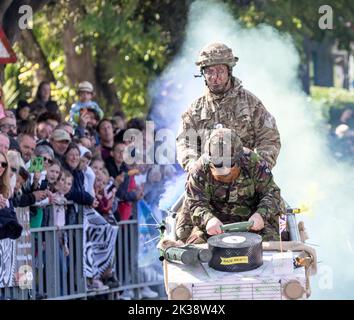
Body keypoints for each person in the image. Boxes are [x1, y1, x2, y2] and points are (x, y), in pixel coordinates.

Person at [176, 42, 281, 172]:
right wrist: (195, 168)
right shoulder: (195, 110)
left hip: (245, 182)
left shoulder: (251, 104)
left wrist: (258, 168)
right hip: (208, 183)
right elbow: (185, 144)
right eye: (209, 71)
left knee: (272, 193)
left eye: (220, 71)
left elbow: (269, 138)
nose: (215, 77)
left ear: (229, 71)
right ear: (202, 73)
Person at [179, 128, 285, 244]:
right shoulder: (199, 170)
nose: (222, 169)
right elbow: (195, 203)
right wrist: (208, 219)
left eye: (228, 163)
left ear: (239, 158)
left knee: (273, 245)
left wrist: (261, 214)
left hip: (252, 223)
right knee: (194, 251)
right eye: (217, 164)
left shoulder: (254, 163)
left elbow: (272, 192)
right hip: (215, 226)